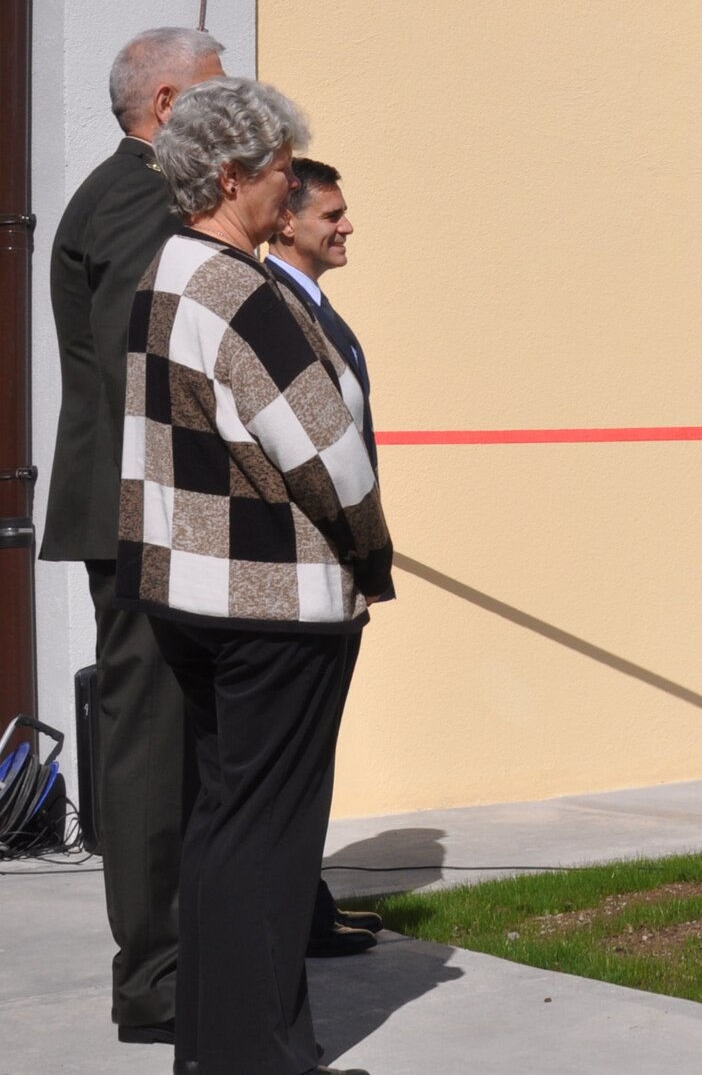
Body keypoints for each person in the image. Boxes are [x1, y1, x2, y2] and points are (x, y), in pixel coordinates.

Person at [117, 76, 387, 1075]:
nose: (290, 187)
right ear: (232, 177)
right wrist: (371, 551)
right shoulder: (239, 288)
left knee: (228, 831)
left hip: (192, 594)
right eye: (281, 169)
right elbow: (331, 456)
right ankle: (261, 1057)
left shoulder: (170, 270)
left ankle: (219, 1051)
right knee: (268, 846)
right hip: (274, 603)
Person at [43, 26, 225, 1046]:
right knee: (155, 744)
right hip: (145, 515)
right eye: (218, 92)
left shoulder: (144, 196)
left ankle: (218, 936)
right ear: (165, 107)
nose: (235, 111)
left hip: (154, 510)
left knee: (200, 733)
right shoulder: (143, 201)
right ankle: (156, 978)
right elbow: (142, 371)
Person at [264, 157, 388, 958]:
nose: (346, 225)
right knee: (290, 766)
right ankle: (291, 921)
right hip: (305, 569)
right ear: (286, 221)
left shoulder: (312, 305)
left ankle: (306, 908)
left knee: (307, 762)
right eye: (330, 214)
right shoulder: (275, 307)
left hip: (329, 569)